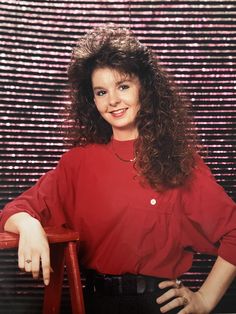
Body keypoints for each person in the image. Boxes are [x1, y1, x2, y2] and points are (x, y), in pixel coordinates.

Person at [0, 25, 236, 314]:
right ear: (92, 100)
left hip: (157, 305)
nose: (112, 101)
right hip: (94, 303)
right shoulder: (77, 164)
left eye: (123, 86)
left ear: (145, 89)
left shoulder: (178, 163)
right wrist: (28, 224)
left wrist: (205, 299)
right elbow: (12, 213)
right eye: (101, 91)